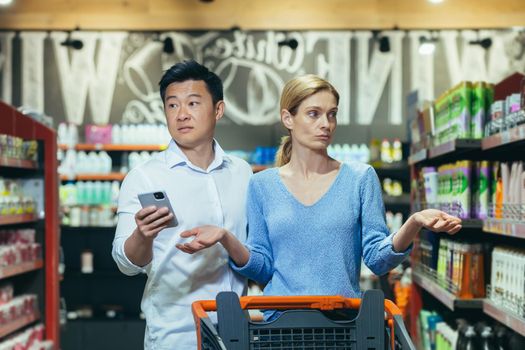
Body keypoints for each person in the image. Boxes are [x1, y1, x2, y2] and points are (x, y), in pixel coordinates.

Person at [176, 74, 461, 321]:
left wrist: (413, 223)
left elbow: (377, 260)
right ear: (288, 118)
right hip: (280, 326)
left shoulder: (360, 178)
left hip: (344, 324)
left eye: (332, 113)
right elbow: (262, 268)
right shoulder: (262, 185)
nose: (326, 123)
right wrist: (226, 237)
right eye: (314, 114)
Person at [112, 60, 252, 349]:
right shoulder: (145, 177)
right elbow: (125, 263)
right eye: (172, 105)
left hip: (238, 329)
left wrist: (226, 238)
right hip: (176, 334)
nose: (182, 114)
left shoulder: (242, 172)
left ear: (218, 109)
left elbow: (254, 251)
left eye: (193, 103)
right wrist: (143, 234)